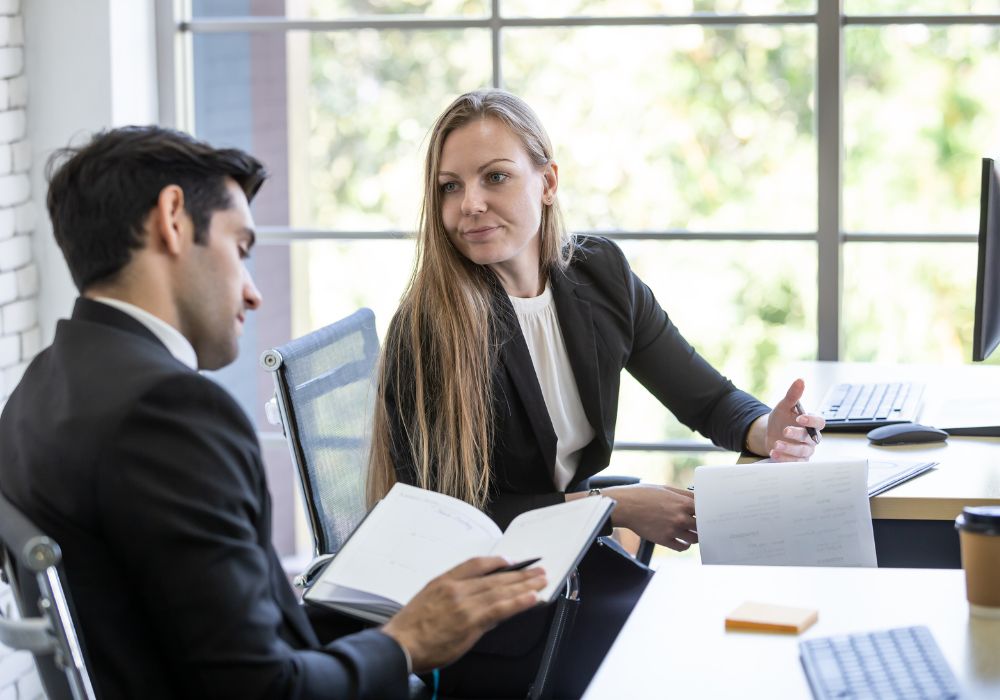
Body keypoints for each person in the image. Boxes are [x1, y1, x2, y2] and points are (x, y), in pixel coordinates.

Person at [0, 125, 548, 700]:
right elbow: (262, 690)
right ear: (173, 219)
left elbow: (205, 629)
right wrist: (409, 641)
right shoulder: (168, 414)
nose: (253, 292)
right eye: (240, 249)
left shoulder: (37, 389)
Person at [367, 89, 826, 696]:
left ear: (548, 181)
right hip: (492, 614)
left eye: (494, 177)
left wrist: (768, 430)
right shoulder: (433, 326)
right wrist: (613, 510)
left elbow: (708, 400)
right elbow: (452, 520)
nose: (470, 204)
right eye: (450, 187)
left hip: (566, 567)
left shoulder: (597, 274)